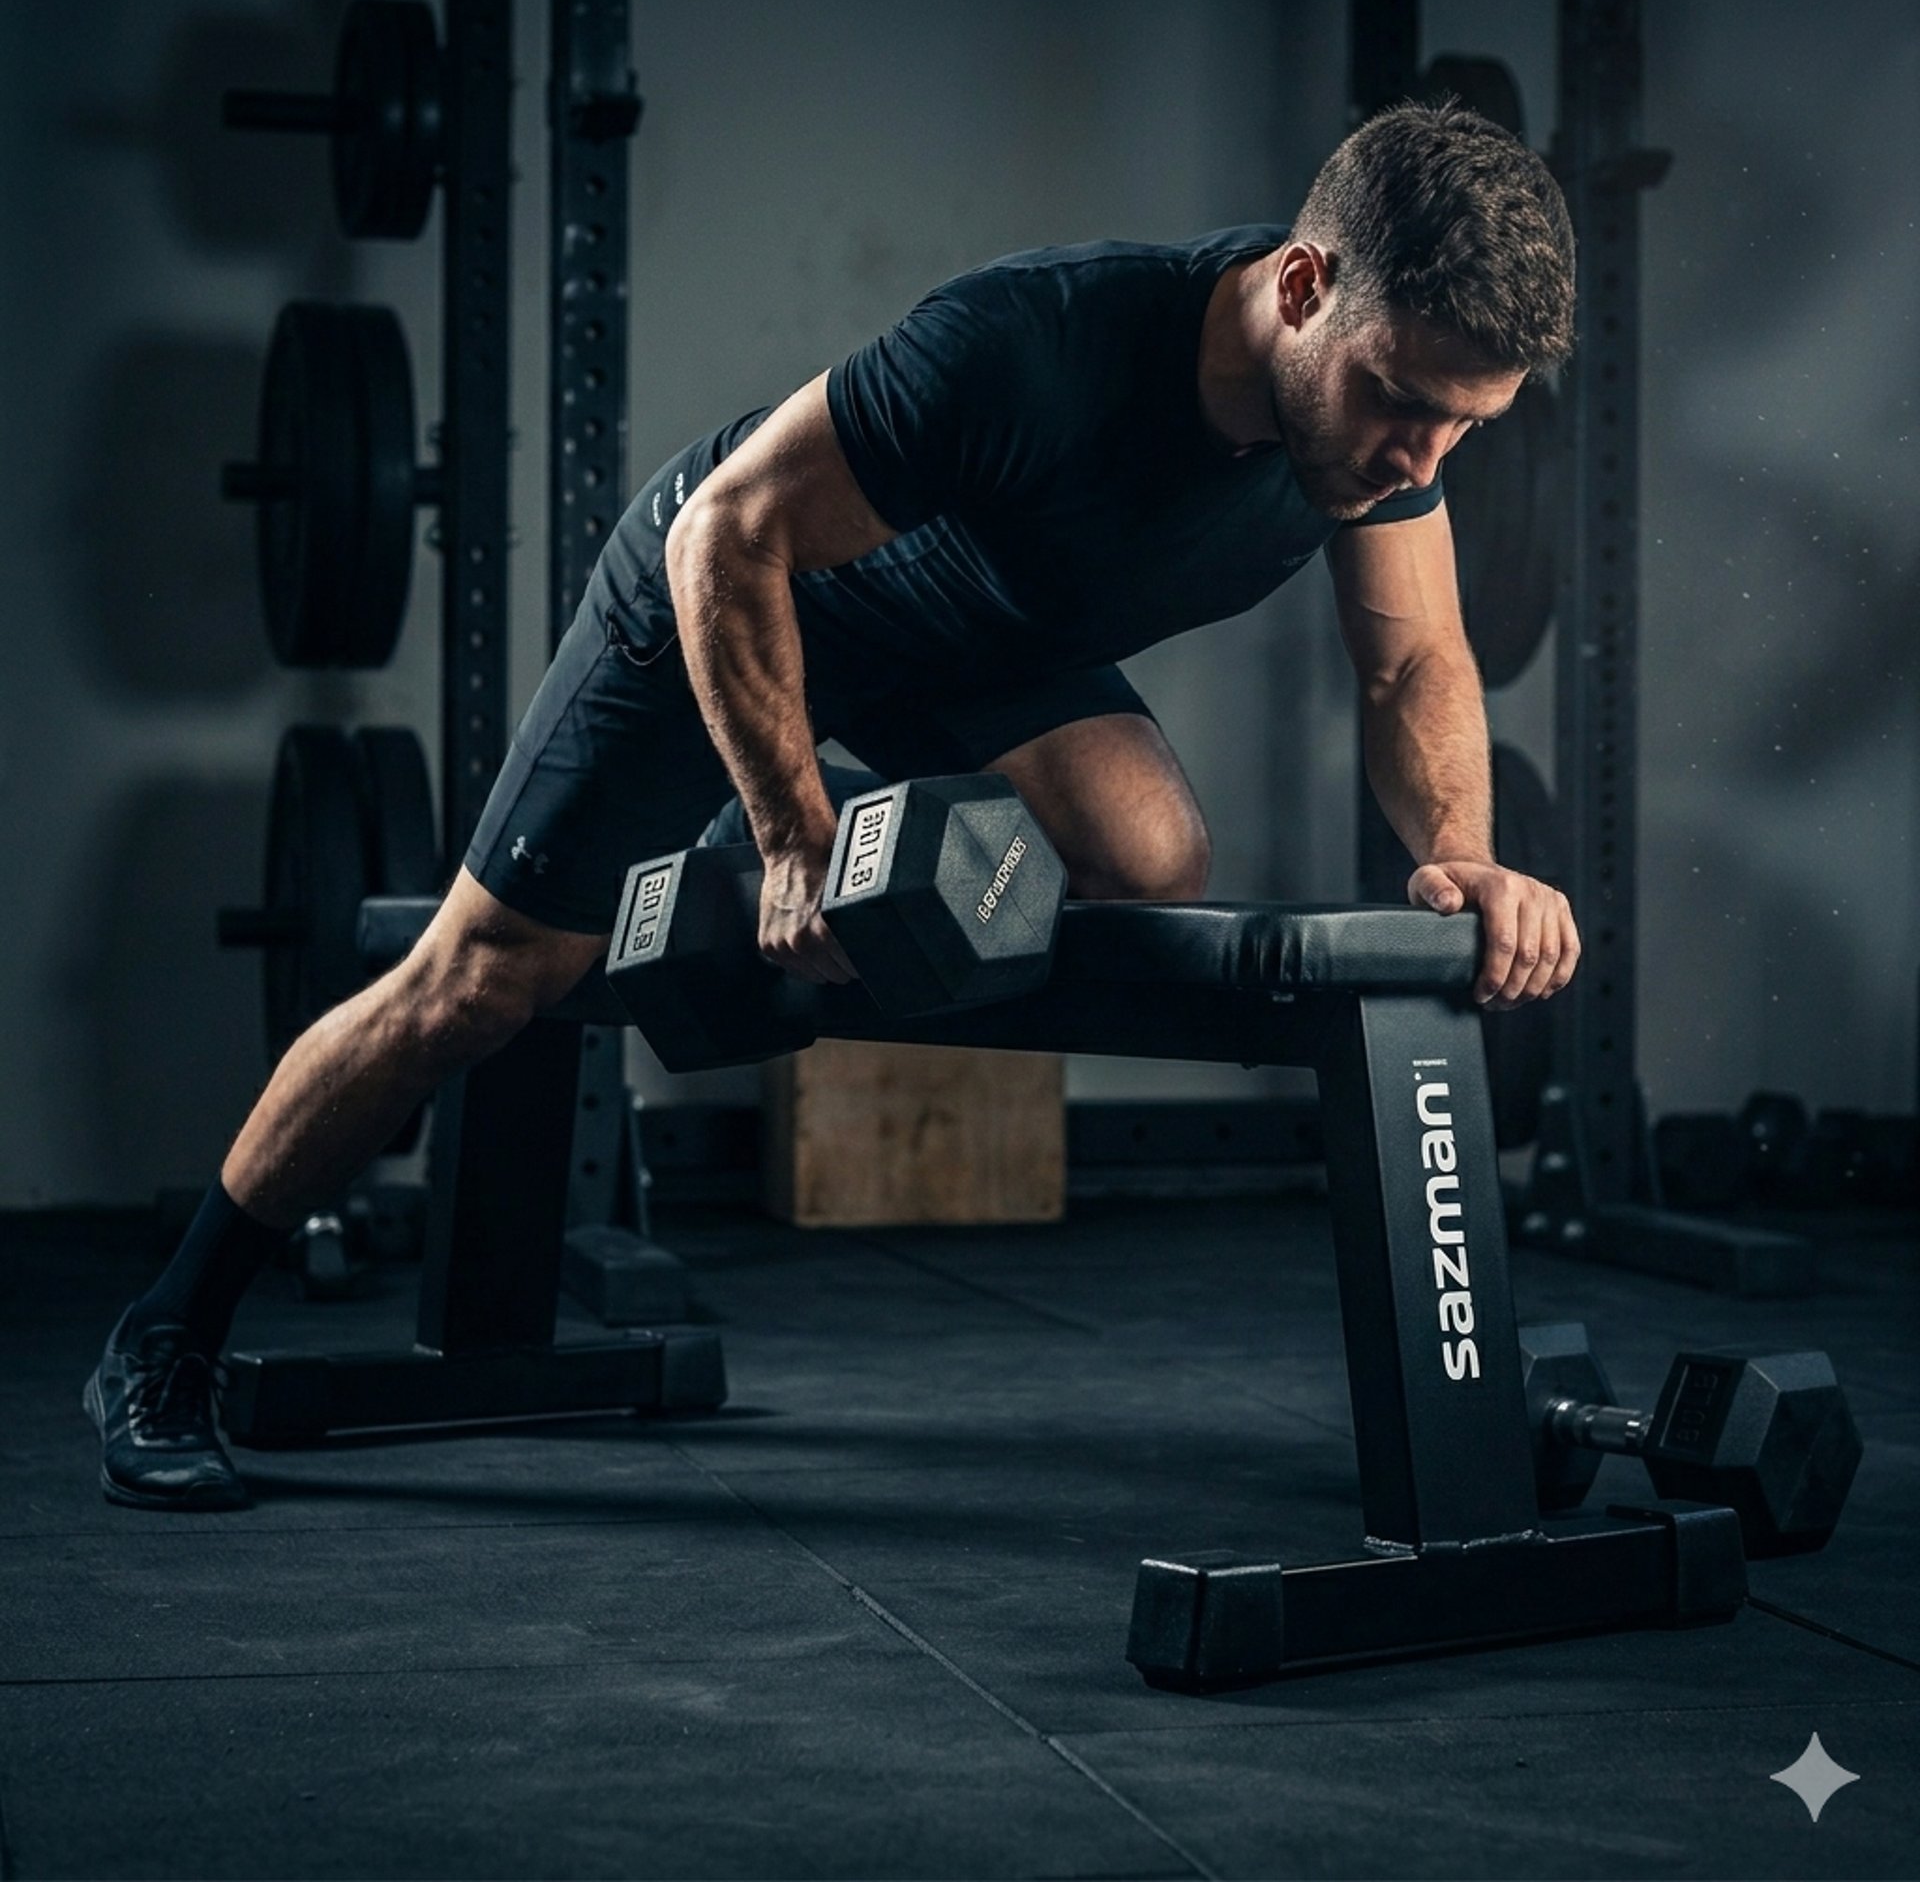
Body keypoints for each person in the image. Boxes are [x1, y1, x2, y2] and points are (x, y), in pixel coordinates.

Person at [86, 97, 1580, 1511]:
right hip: (755, 593)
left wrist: (1465, 857)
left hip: (983, 645)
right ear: (1304, 287)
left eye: (1465, 427)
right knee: (480, 982)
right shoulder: (1033, 343)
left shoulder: (1375, 431)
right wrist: (797, 839)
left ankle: (755, 838)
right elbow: (729, 532)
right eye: (1405, 404)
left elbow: (1413, 661)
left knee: (1148, 859)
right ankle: (168, 1333)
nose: (1421, 459)